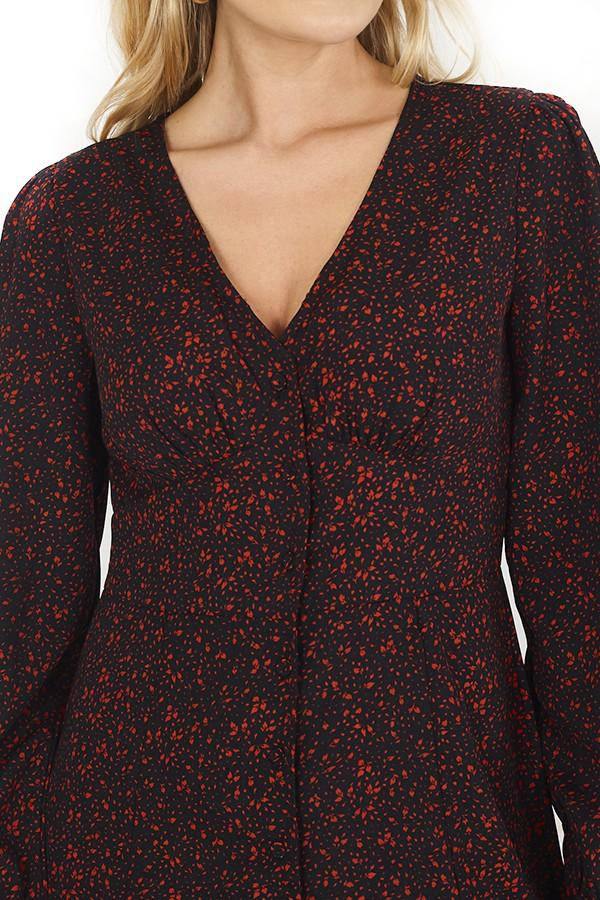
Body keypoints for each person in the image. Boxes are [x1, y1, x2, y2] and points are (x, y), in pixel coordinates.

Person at [1, 0, 598, 896]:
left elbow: (579, 570)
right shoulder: (71, 220)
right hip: (132, 847)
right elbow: (24, 620)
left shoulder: (515, 161)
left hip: (445, 849)